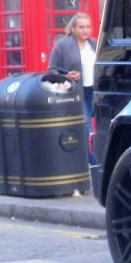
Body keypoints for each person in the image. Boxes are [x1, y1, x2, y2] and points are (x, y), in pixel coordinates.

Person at [49, 12, 97, 164]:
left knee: (91, 129)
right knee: (87, 127)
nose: (85, 31)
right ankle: (96, 164)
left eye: (88, 27)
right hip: (76, 92)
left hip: (93, 92)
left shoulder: (94, 44)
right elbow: (52, 70)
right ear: (74, 28)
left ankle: (79, 161)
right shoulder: (62, 45)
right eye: (81, 27)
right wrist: (67, 77)